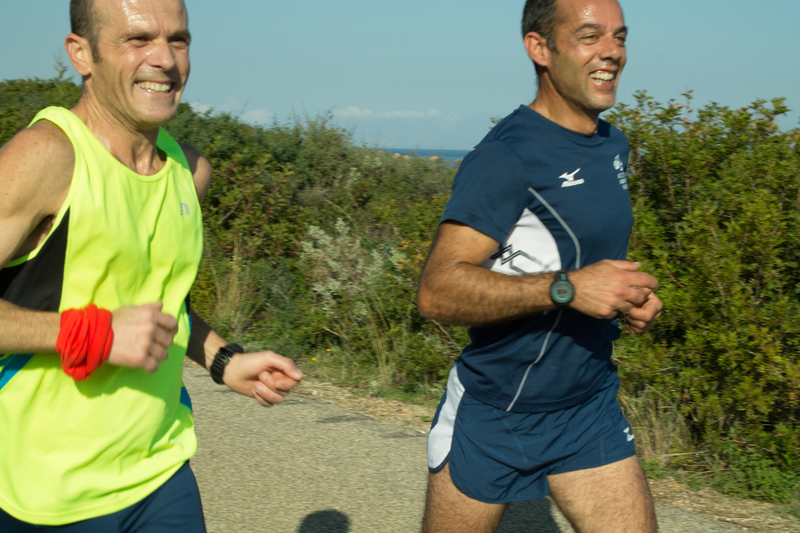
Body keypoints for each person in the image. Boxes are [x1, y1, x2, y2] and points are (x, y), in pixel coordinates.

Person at [0, 0, 302, 530]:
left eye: (178, 40)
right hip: (46, 494)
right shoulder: (47, 157)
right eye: (137, 40)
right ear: (82, 54)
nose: (164, 59)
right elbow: (110, 327)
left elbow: (160, 301)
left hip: (161, 470)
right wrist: (91, 334)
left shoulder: (189, 170)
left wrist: (222, 359)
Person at [417, 0, 663, 531]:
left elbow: (582, 258)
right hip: (497, 411)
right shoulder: (508, 155)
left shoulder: (613, 144)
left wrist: (627, 299)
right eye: (590, 36)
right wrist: (566, 290)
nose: (612, 53)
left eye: (620, 37)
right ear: (539, 48)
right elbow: (436, 292)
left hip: (587, 405)